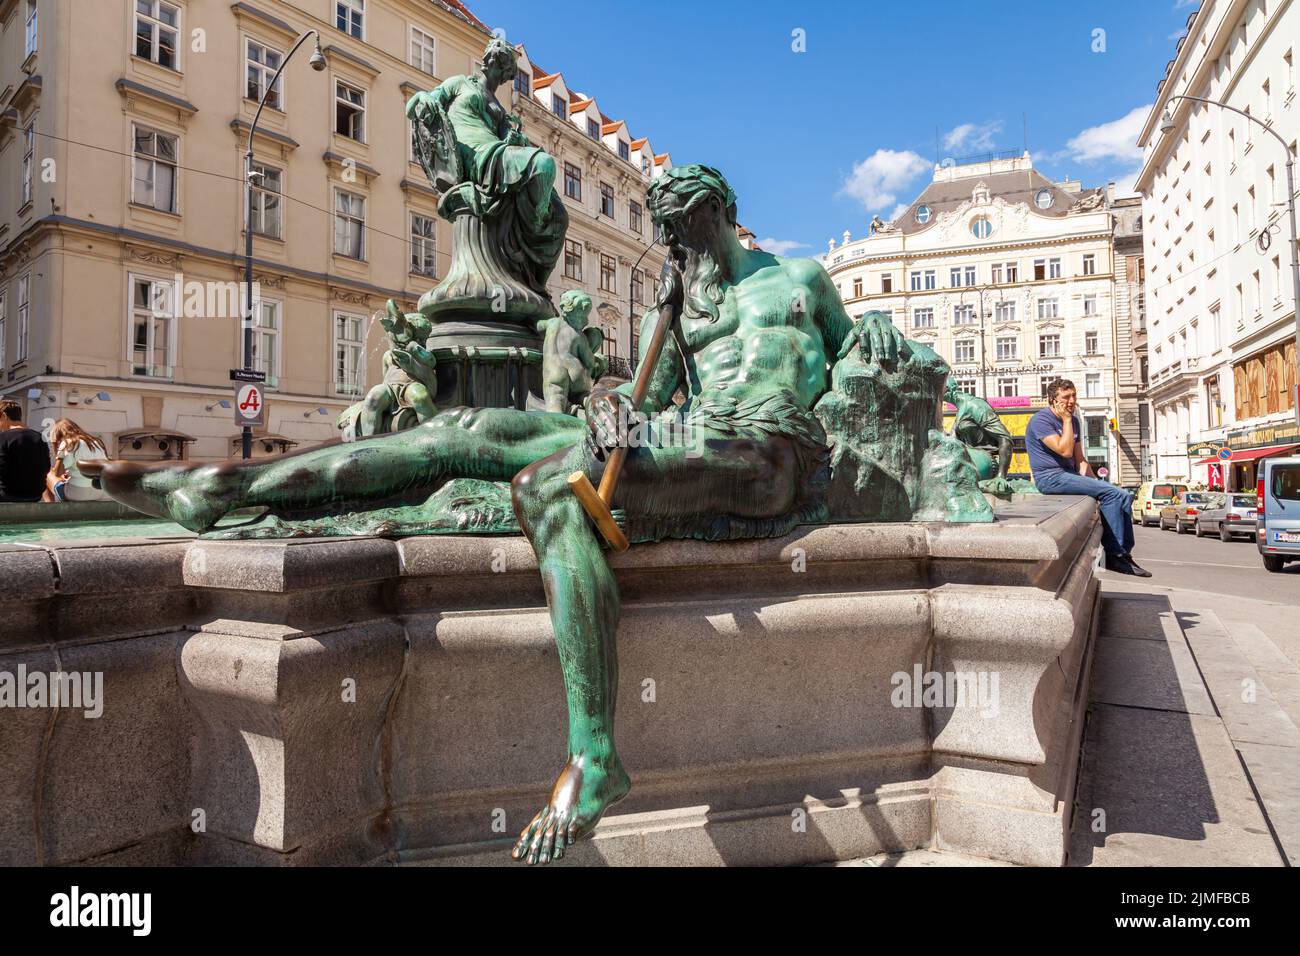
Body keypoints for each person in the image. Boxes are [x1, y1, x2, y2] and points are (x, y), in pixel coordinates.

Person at [1025, 379, 1150, 577]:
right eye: (1066, 397)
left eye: (1074, 396)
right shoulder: (1041, 420)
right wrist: (1066, 420)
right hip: (1050, 477)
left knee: (1122, 495)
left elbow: (1080, 460)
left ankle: (1125, 554)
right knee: (1113, 494)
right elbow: (1065, 451)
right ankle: (1114, 556)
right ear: (1053, 400)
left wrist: (1098, 485)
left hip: (1069, 475)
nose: (1071, 401)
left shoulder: (1074, 420)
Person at [43, 419, 108, 502]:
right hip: (99, 492)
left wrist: (58, 453)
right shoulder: (96, 442)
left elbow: (57, 474)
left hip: (77, 494)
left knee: (46, 473)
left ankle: (50, 508)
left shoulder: (67, 442)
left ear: (58, 438)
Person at [0, 399, 51, 503]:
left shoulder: (3, 438)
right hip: (35, 495)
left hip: (7, 494)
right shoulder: (40, 437)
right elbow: (46, 466)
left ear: (4, 416)